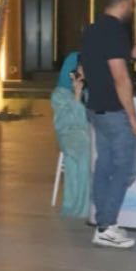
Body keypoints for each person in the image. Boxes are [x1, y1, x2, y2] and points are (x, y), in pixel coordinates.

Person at [81, 0, 136, 249]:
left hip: (96, 108)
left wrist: (131, 55)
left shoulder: (92, 29)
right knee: (125, 170)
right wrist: (133, 118)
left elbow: (99, 64)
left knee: (105, 166)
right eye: (131, 4)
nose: (133, 8)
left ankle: (104, 223)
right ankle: (106, 225)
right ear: (123, 3)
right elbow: (120, 77)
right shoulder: (115, 30)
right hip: (114, 111)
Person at [51, 52, 92, 217]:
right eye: (81, 69)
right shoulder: (59, 95)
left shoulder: (90, 91)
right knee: (84, 150)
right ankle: (80, 204)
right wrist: (76, 96)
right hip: (69, 134)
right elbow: (64, 123)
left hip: (90, 132)